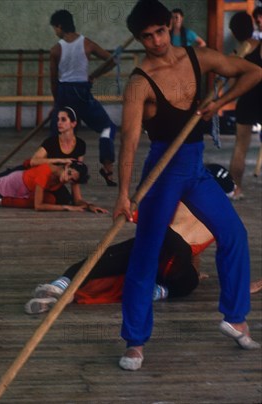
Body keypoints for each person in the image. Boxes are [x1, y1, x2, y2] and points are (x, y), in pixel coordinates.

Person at [114, 0, 262, 371]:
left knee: (234, 235)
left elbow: (252, 73)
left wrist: (221, 103)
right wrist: (122, 194)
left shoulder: (199, 57)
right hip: (161, 175)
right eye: (146, 37)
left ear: (170, 26)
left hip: (195, 171)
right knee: (146, 255)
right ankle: (134, 342)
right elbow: (129, 140)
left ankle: (235, 316)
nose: (155, 41)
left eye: (160, 32)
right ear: (139, 39)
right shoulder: (139, 83)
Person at [25, 164, 262, 313]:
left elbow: (146, 215)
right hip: (177, 262)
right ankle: (158, 291)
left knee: (110, 257)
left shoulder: (186, 195)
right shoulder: (224, 218)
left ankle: (62, 284)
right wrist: (241, 286)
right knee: (188, 282)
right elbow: (227, 255)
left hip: (164, 243)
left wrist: (130, 208)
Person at [49, 9, 118, 186]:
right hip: (82, 92)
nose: (55, 32)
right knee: (107, 128)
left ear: (59, 26)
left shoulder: (56, 50)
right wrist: (94, 76)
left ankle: (56, 174)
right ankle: (108, 167)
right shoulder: (87, 44)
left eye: (54, 28)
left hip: (65, 93)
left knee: (59, 134)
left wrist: (57, 106)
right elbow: (112, 61)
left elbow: (53, 81)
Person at [228, 11, 262, 200]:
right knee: (240, 146)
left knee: (240, 146)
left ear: (233, 33)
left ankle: (236, 189)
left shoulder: (236, 55)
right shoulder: (258, 46)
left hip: (247, 101)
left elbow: (233, 86)